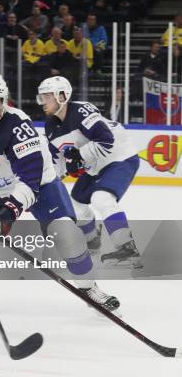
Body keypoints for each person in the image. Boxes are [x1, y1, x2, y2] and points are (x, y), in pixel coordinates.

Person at [0, 74, 119, 313]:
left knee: (67, 234)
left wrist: (7, 214)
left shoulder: (19, 125)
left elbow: (29, 179)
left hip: (40, 185)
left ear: (4, 103)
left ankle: (89, 288)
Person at [36, 76, 141, 268]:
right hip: (95, 165)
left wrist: (78, 156)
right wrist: (42, 185)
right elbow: (56, 163)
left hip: (119, 156)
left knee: (101, 198)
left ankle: (127, 247)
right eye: (41, 97)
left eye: (47, 97)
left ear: (62, 96)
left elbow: (106, 140)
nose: (43, 102)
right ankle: (93, 239)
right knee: (75, 203)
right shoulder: (51, 126)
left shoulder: (81, 111)